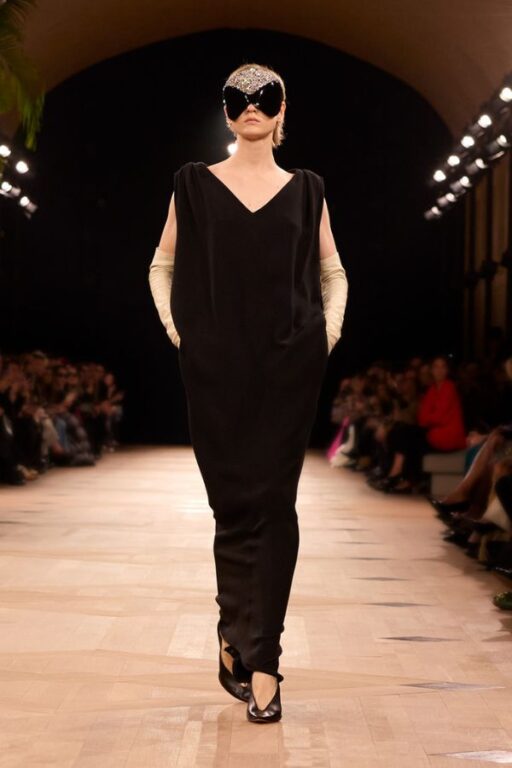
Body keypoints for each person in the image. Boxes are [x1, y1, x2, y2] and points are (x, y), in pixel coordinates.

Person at [148, 62, 348, 723]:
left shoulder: (308, 189)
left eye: (265, 97)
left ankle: (265, 661)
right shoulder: (193, 183)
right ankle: (233, 630)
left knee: (275, 505)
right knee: (231, 504)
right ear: (226, 109)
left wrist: (326, 335)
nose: (252, 106)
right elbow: (162, 264)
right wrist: (180, 331)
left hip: (290, 366)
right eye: (239, 97)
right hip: (215, 368)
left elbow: (333, 272)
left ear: (283, 108)